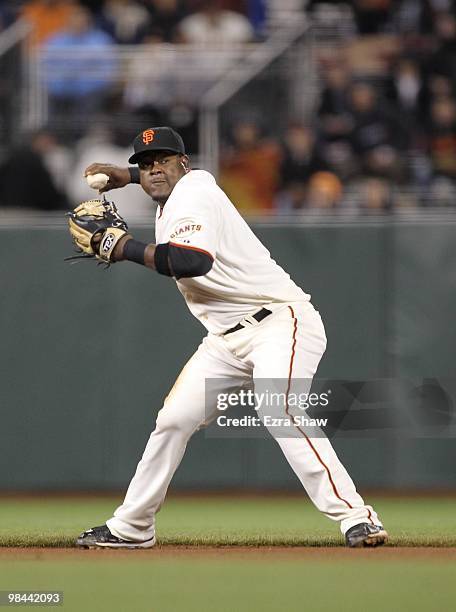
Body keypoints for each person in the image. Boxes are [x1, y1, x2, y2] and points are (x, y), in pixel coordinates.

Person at [74, 126, 388, 549]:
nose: (154, 170)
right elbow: (160, 187)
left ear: (183, 164)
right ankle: (132, 527)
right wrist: (126, 175)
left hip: (280, 321)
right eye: (146, 164)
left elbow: (189, 260)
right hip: (225, 340)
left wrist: (124, 246)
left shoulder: (194, 192)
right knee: (172, 420)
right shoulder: (174, 199)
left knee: (279, 407)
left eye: (163, 161)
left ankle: (357, 517)